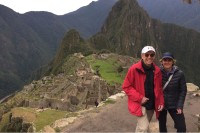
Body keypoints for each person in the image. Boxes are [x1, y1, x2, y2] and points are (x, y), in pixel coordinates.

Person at [122, 46, 164, 132]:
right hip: (140, 104)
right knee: (144, 127)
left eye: (152, 55)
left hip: (152, 104)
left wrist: (160, 102)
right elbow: (126, 86)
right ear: (142, 56)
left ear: (154, 56)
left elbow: (159, 88)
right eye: (146, 55)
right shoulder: (134, 69)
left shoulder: (157, 71)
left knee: (143, 126)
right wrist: (140, 98)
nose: (149, 57)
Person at [158, 52, 187, 132]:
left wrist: (180, 105)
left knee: (181, 128)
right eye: (165, 60)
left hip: (175, 104)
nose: (167, 62)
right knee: (162, 126)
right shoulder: (158, 73)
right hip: (161, 104)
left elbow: (183, 90)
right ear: (162, 61)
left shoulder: (179, 74)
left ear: (173, 62)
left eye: (169, 60)